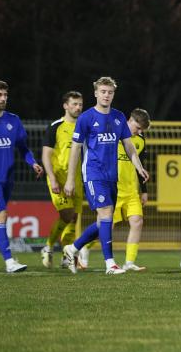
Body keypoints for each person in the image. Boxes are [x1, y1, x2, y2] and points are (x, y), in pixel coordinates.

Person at [62, 77, 149, 275]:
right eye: (103, 91)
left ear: (113, 94)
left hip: (112, 176)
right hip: (93, 174)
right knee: (107, 213)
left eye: (109, 92)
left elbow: (129, 146)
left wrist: (139, 167)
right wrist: (69, 179)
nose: (106, 95)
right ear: (96, 93)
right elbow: (75, 149)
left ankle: (73, 248)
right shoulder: (86, 118)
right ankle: (110, 263)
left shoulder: (118, 117)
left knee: (103, 221)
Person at [0, 80, 44, 272]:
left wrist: (33, 163)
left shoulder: (13, 121)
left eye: (5, 95)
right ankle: (9, 261)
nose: (3, 98)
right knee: (1, 215)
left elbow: (23, 148)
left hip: (8, 178)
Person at [41, 91, 84, 268]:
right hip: (58, 178)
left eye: (80, 104)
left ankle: (67, 255)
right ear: (65, 106)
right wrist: (52, 178)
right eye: (74, 104)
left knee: (73, 218)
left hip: (77, 179)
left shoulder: (84, 127)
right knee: (66, 214)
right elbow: (46, 155)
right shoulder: (56, 127)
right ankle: (49, 246)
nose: (78, 107)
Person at [112, 108, 151, 271]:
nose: (139, 132)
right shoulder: (112, 134)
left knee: (137, 222)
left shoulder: (140, 140)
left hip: (131, 190)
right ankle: (83, 252)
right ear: (130, 120)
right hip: (112, 189)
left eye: (142, 129)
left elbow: (139, 166)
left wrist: (144, 190)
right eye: (138, 127)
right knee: (106, 226)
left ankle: (129, 262)